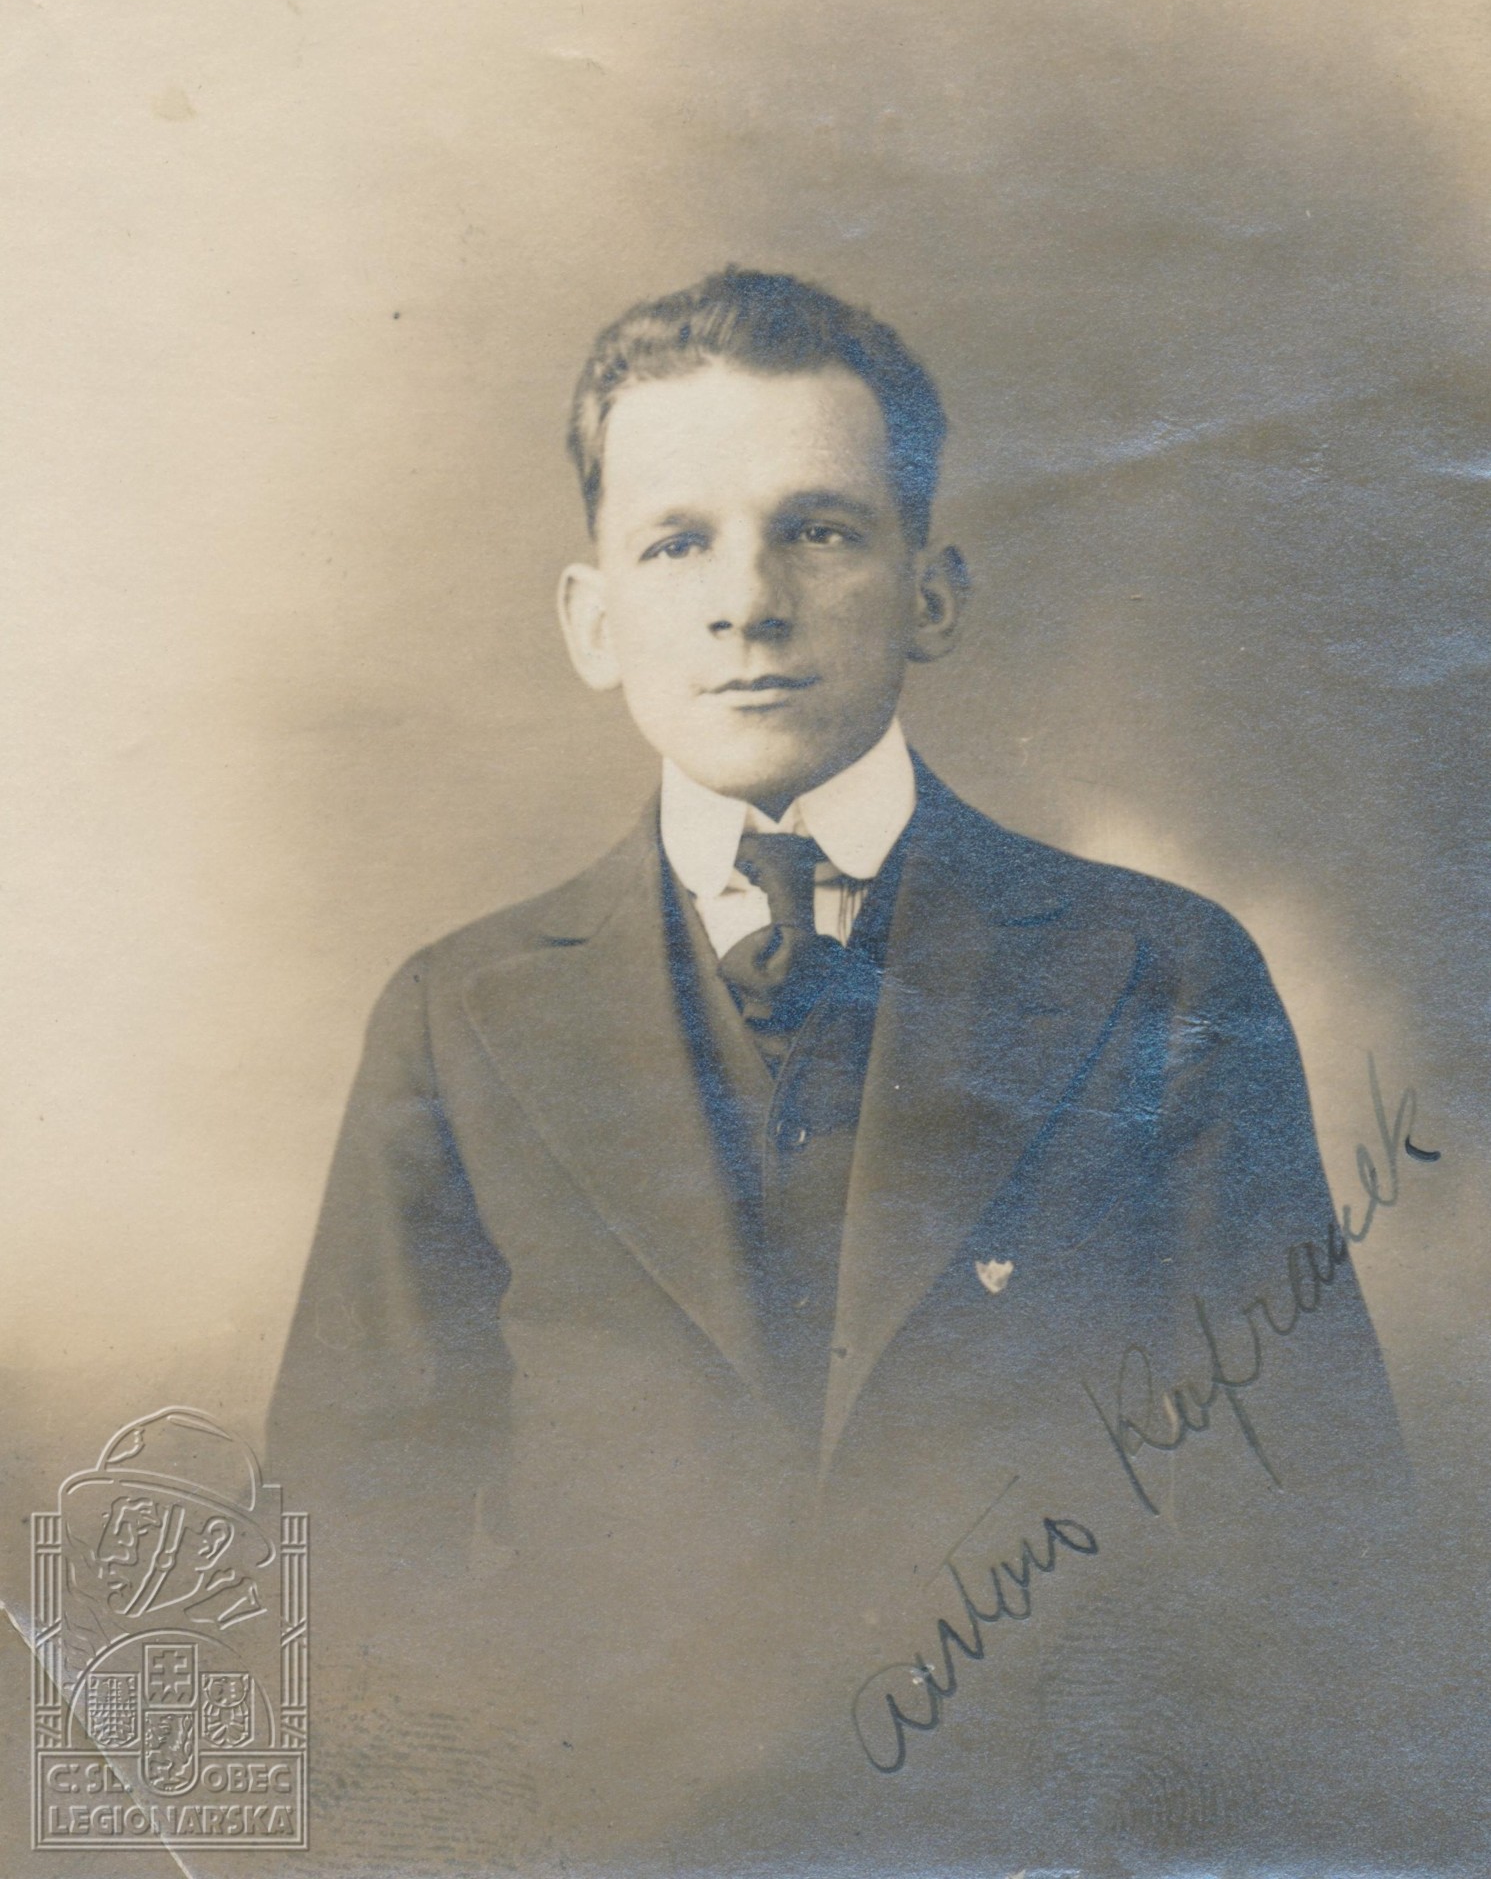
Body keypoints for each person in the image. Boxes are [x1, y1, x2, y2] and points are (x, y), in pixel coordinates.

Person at [267, 268, 1411, 1873]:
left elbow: (1317, 1549)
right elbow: (338, 1569)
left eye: (818, 531)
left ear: (932, 596)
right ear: (592, 620)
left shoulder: (1158, 972)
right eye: (678, 542)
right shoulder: (460, 1017)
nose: (749, 602)